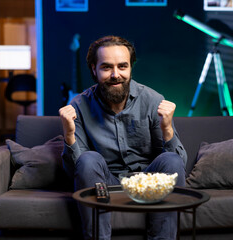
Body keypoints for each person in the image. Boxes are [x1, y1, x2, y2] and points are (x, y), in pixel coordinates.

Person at [59, 35, 187, 240]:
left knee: (171, 160)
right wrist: (69, 134)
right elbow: (75, 171)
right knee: (89, 159)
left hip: (148, 182)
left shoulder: (153, 100)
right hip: (105, 185)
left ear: (131, 68)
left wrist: (167, 129)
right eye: (106, 67)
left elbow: (179, 166)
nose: (115, 75)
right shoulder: (79, 106)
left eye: (122, 66)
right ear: (94, 69)